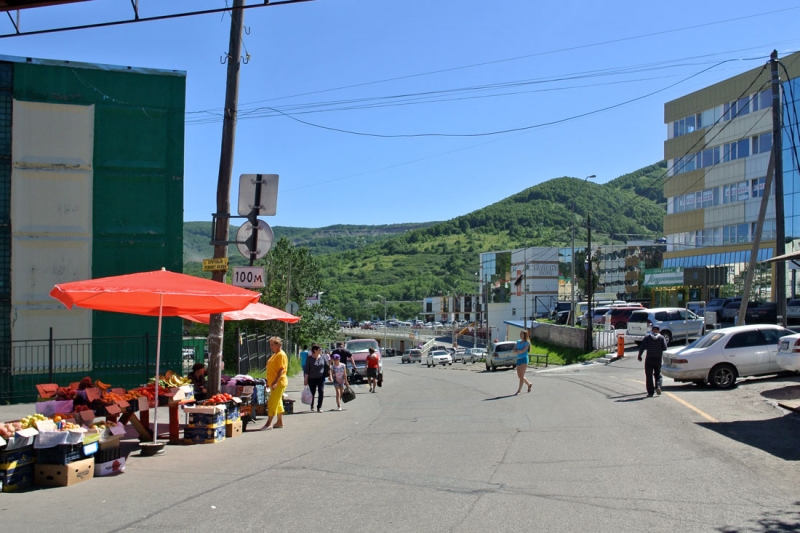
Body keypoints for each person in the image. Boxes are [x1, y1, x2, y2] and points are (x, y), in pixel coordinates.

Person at [261, 336, 288, 430]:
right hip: (274, 382)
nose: (271, 347)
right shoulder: (275, 354)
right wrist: (269, 381)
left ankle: (268, 423)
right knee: (278, 401)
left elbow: (281, 369)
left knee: (272, 402)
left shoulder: (281, 355)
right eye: (270, 345)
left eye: (272, 345)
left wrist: (275, 381)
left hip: (279, 383)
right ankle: (279, 422)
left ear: (279, 345)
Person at [638, 325, 668, 397]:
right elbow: (665, 348)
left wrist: (640, 356)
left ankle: (650, 392)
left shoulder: (647, 337)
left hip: (649, 359)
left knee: (649, 376)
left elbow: (642, 347)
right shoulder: (661, 338)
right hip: (658, 359)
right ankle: (658, 387)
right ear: (659, 330)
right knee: (658, 374)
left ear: (652, 330)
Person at [304, 344, 331, 412]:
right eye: (319, 349)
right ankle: (312, 405)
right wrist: (305, 379)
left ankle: (319, 407)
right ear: (315, 350)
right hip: (311, 378)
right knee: (312, 392)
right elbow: (307, 369)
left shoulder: (322, 357)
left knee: (321, 391)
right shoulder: (309, 359)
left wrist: (330, 375)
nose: (321, 350)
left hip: (321, 378)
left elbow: (327, 367)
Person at [513, 330, 533, 395]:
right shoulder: (518, 342)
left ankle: (519, 390)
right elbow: (514, 350)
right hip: (518, 359)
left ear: (525, 335)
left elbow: (522, 351)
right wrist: (518, 351)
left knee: (522, 375)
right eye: (520, 334)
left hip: (524, 359)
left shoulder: (527, 343)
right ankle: (529, 384)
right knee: (519, 375)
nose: (521, 335)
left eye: (522, 334)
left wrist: (518, 351)